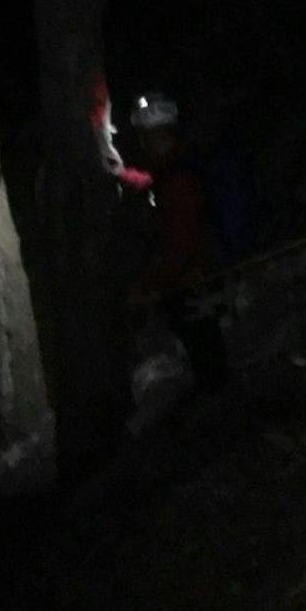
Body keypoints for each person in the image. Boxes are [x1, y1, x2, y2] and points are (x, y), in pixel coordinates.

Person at [125, 91, 242, 392]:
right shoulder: (177, 166)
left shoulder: (176, 179)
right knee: (208, 353)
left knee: (208, 357)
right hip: (197, 277)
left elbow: (181, 245)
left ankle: (224, 411)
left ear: (154, 136)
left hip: (192, 282)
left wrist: (149, 286)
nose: (142, 143)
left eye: (145, 136)